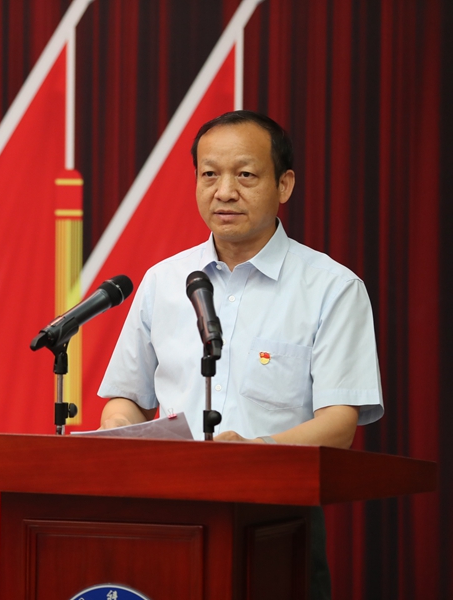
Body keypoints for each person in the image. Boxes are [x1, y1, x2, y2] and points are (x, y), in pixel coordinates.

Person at [97, 110, 384, 599]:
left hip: (277, 521)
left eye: (246, 175)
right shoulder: (164, 281)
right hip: (168, 515)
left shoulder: (332, 287)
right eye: (209, 174)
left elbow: (339, 425)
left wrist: (253, 454)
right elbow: (126, 398)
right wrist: (123, 432)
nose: (224, 191)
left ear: (284, 184)